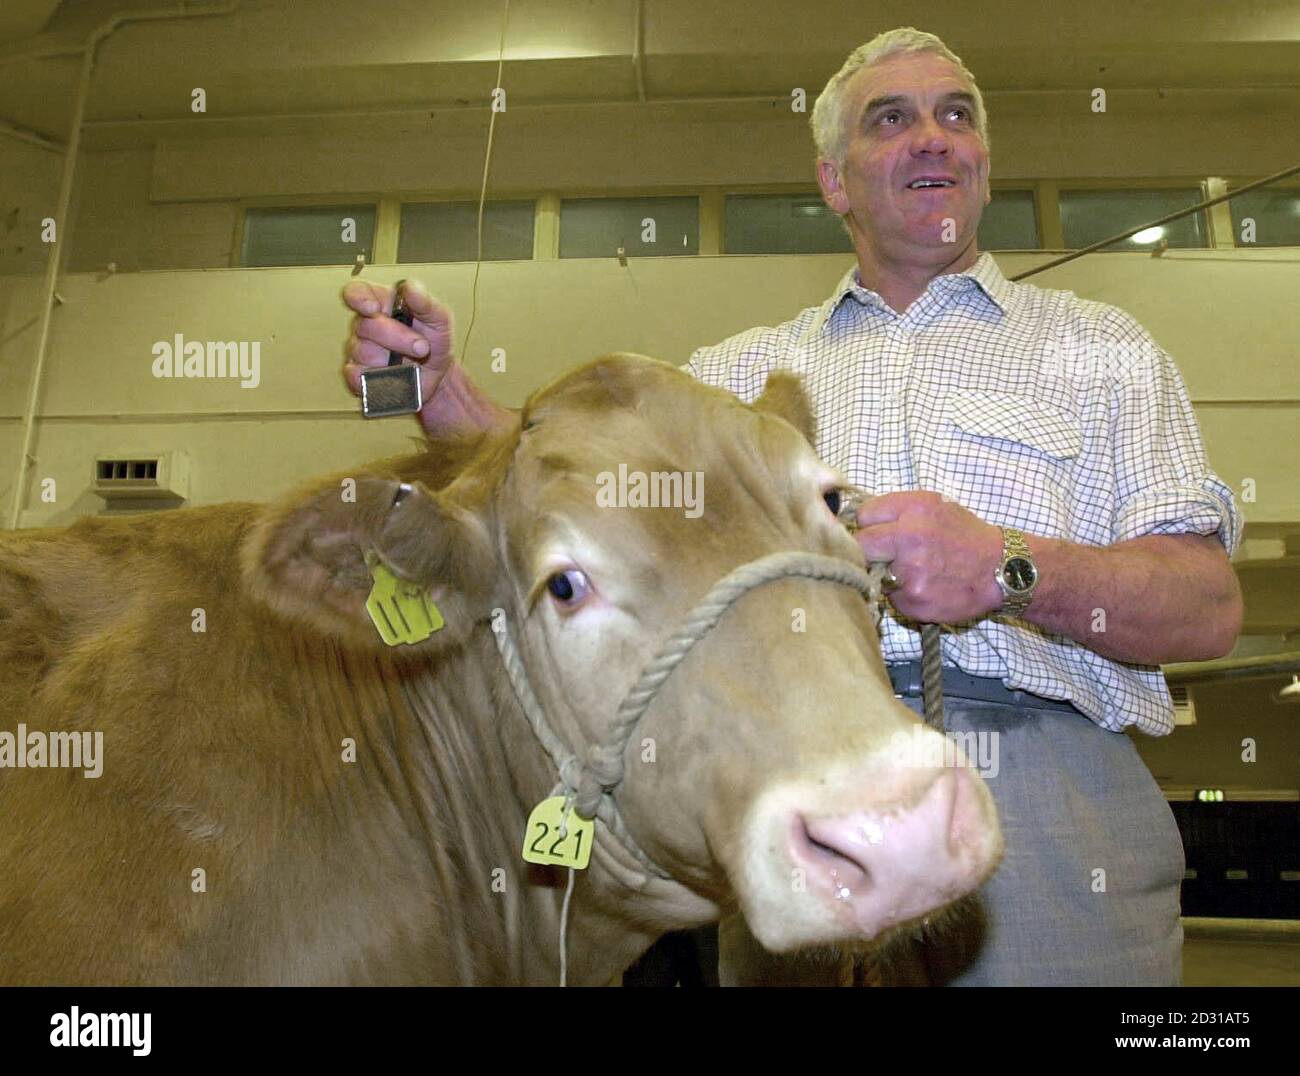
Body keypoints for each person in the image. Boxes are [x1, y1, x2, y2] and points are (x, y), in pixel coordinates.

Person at [338, 27, 1243, 986]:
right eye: (891, 120)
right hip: (781, 774)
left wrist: (1008, 568)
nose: (933, 137)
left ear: (983, 160)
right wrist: (445, 398)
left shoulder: (1102, 350)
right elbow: (572, 489)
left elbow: (1210, 607)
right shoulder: (731, 380)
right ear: (834, 181)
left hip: (1049, 811)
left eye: (956, 115)